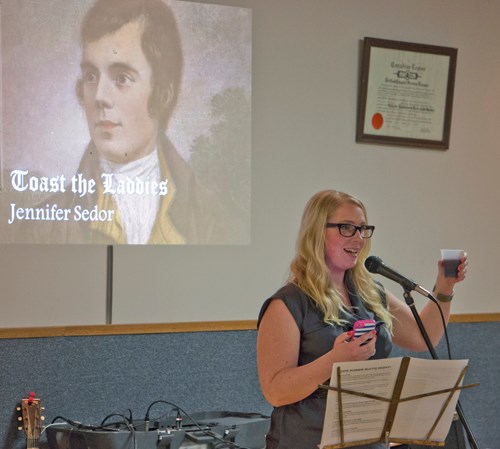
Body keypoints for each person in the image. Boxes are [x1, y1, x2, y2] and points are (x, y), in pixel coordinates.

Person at [256, 189, 468, 449]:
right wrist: (334, 360)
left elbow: (423, 336)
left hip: (369, 442)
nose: (358, 238)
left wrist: (445, 286)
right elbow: (275, 391)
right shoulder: (288, 303)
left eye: (362, 229)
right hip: (308, 441)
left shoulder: (371, 292)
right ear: (316, 232)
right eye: (346, 228)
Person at [10, 0, 228, 244]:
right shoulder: (43, 230)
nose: (100, 96)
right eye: (91, 76)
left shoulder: (211, 222)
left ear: (163, 93)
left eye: (122, 78)